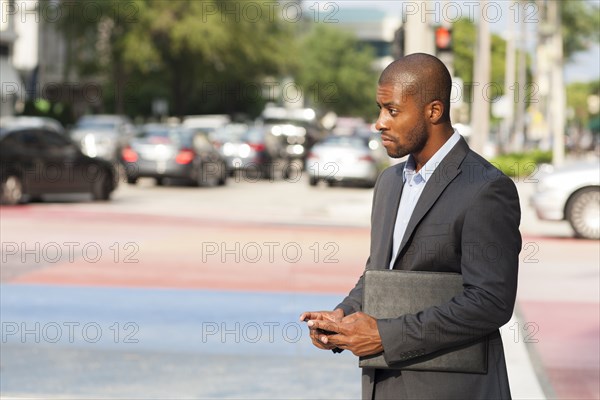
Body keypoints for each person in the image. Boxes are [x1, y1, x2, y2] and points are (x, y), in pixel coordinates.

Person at [300, 53, 521, 400]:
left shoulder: (486, 188)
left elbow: (491, 301)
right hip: (383, 385)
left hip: (452, 390)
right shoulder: (389, 183)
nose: (379, 122)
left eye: (392, 110)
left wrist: (385, 336)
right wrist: (344, 315)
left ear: (433, 111)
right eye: (379, 109)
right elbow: (380, 273)